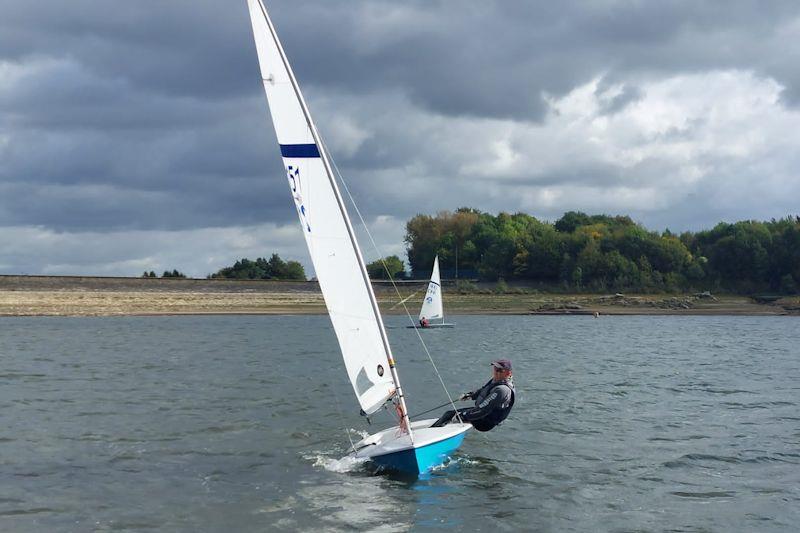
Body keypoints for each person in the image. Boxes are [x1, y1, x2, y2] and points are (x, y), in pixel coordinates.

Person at [431, 359, 515, 432]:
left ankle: (433, 434)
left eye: (500, 370)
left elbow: (483, 410)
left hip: (485, 421)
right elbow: (484, 390)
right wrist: (470, 395)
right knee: (449, 414)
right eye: (495, 369)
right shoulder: (497, 380)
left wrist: (462, 416)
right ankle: (432, 430)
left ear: (508, 373)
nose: (496, 372)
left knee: (450, 415)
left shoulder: (502, 390)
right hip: (481, 413)